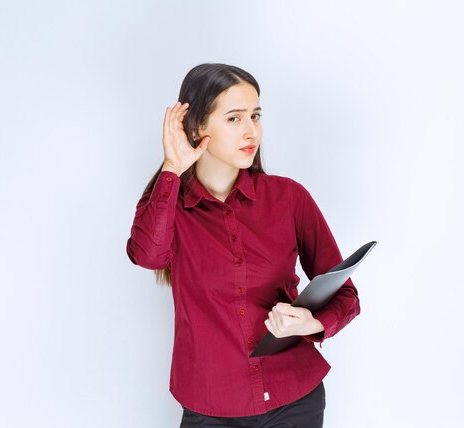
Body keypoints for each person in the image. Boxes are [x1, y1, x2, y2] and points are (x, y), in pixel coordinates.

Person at [126, 63, 360, 428]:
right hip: (211, 404)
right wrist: (172, 167)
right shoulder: (167, 206)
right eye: (234, 119)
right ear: (197, 126)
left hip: (294, 396)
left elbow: (346, 296)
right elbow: (146, 255)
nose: (252, 131)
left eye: (255, 115)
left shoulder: (289, 198)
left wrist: (311, 322)